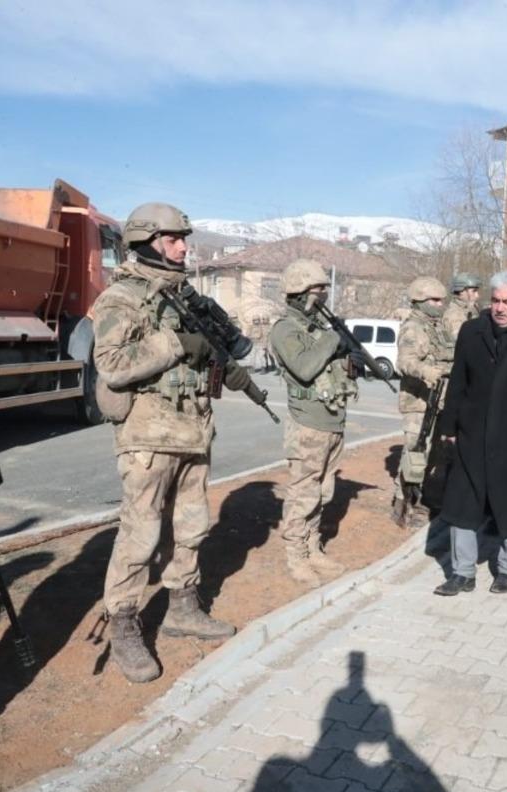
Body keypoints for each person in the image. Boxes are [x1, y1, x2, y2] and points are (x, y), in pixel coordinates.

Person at [92, 203, 251, 683]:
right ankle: (123, 622)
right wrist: (176, 344)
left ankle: (182, 606)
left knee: (192, 526)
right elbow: (112, 364)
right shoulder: (122, 298)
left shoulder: (185, 295)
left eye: (184, 239)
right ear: (145, 242)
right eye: (173, 239)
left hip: (192, 432)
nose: (183, 248)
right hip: (148, 436)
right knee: (140, 535)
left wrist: (220, 361)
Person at [435, 271, 507, 595]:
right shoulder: (472, 331)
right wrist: (449, 426)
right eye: (495, 300)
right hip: (472, 432)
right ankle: (462, 573)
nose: (500, 308)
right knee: (462, 502)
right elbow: (458, 381)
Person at [269, 259, 356, 587]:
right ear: (298, 291)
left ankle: (312, 546)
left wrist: (349, 359)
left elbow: (331, 368)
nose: (322, 295)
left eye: (323, 289)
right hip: (307, 423)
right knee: (303, 493)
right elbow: (305, 368)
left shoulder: (319, 327)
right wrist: (333, 340)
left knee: (324, 491)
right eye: (317, 289)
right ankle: (296, 555)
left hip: (332, 420)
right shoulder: (285, 329)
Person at [391, 276, 453, 527]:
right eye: (435, 300)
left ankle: (423, 502)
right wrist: (426, 371)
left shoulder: (438, 327)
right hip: (418, 402)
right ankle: (402, 505)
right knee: (415, 454)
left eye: (441, 300)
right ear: (420, 301)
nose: (440, 304)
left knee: (436, 455)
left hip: (439, 400)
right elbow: (404, 362)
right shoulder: (412, 328)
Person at [442, 272, 481, 341]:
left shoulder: (471, 309)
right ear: (461, 292)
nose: (477, 295)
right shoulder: (454, 315)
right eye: (474, 291)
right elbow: (464, 341)